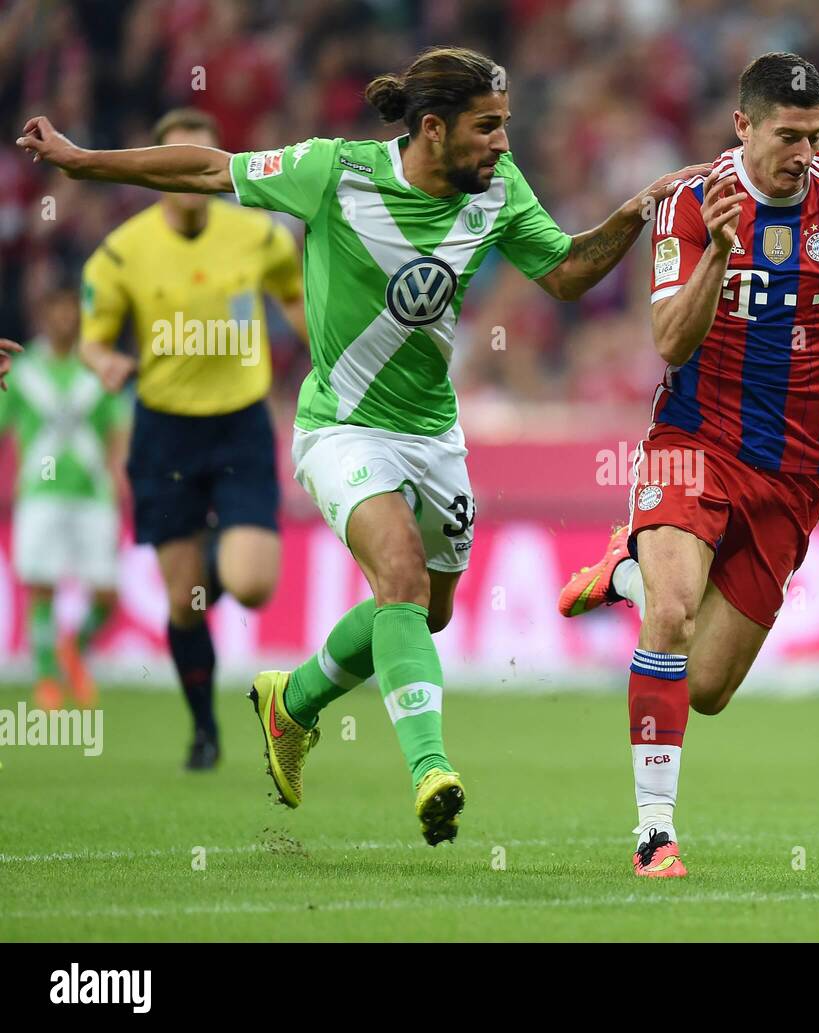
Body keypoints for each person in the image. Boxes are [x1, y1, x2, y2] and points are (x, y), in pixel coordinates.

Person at [15, 45, 706, 845]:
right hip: (340, 427)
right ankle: (430, 771)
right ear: (434, 129)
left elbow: (564, 274)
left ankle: (293, 702)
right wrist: (82, 160)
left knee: (423, 611)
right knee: (403, 579)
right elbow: (213, 169)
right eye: (489, 128)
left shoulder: (499, 190)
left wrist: (632, 214)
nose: (505, 145)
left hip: (434, 434)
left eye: (506, 126)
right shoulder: (332, 171)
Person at [555, 53, 819, 876]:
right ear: (743, 125)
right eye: (789, 135)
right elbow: (670, 342)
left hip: (792, 472)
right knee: (673, 617)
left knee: (707, 687)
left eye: (816, 136)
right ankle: (654, 832)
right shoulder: (692, 201)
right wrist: (718, 254)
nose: (804, 153)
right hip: (693, 441)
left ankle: (623, 569)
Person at [79, 107, 307, 770]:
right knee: (185, 602)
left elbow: (295, 301)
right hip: (165, 430)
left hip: (240, 423)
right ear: (155, 173)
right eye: (178, 166)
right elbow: (94, 343)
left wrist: (326, 349)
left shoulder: (260, 236)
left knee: (253, 582)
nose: (193, 179)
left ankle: (212, 555)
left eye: (205, 167)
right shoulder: (121, 252)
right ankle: (204, 729)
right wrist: (107, 364)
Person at [0, 285, 128, 709]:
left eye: (71, 309)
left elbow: (116, 428)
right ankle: (45, 678)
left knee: (107, 593)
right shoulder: (22, 370)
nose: (64, 318)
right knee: (42, 585)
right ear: (43, 313)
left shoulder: (95, 369)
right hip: (40, 493)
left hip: (93, 493)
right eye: (56, 309)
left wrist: (120, 475)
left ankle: (72, 647)